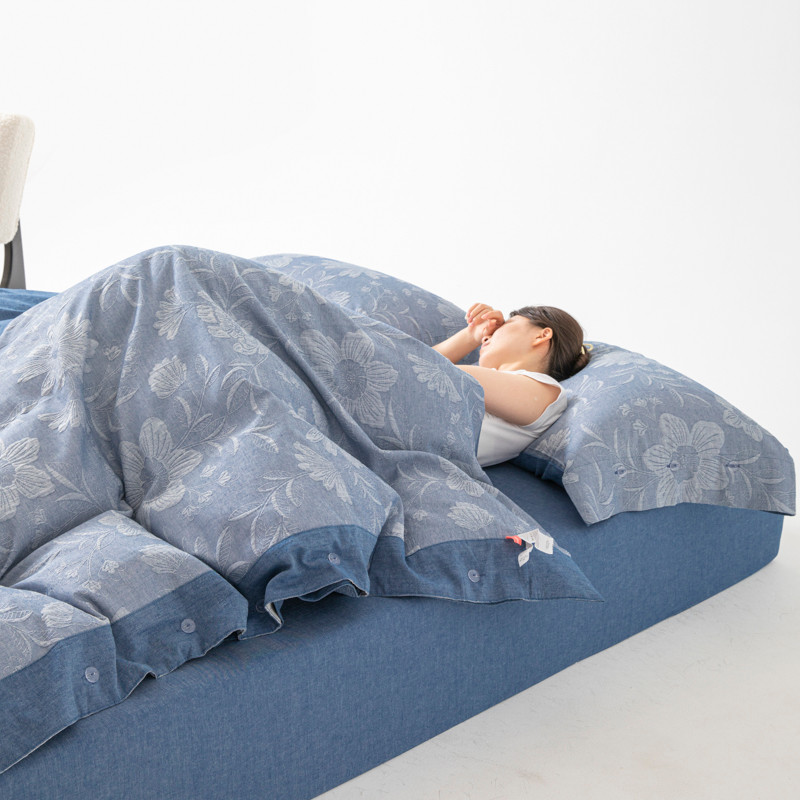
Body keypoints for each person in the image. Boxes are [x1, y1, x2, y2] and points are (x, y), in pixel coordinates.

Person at [434, 302, 592, 467]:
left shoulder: (546, 392)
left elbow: (427, 370)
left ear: (542, 335)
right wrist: (472, 334)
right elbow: (422, 371)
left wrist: (468, 338)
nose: (486, 337)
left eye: (506, 325)